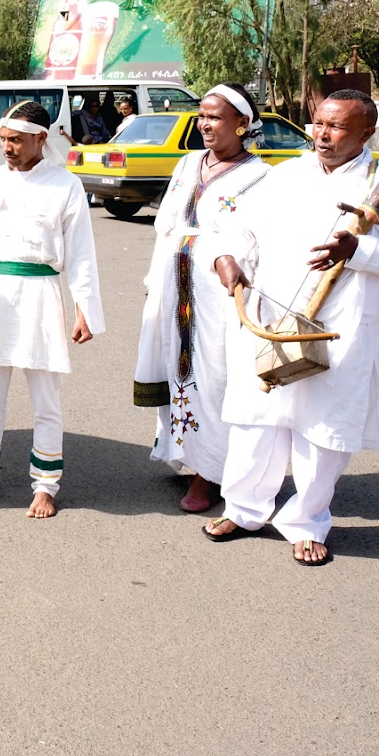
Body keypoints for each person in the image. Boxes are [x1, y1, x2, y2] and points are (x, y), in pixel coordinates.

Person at [202, 89, 379, 565]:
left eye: (337, 127)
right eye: (318, 124)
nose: (322, 135)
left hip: (341, 325)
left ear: (367, 133)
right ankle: (244, 510)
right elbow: (241, 230)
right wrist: (225, 257)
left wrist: (361, 251)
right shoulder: (286, 174)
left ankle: (307, 523)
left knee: (323, 428)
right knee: (255, 419)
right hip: (272, 318)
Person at [0, 100, 103, 519]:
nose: (7, 147)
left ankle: (45, 485)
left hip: (39, 296)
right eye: (3, 139)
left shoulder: (65, 185)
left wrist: (85, 309)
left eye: (15, 140)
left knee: (45, 400)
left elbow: (82, 255)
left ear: (40, 139)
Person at [133, 84, 269, 512]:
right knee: (177, 368)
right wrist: (155, 280)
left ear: (242, 123)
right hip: (174, 285)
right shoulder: (189, 162)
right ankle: (183, 453)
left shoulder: (260, 176)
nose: (204, 124)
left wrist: (216, 255)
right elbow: (168, 225)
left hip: (217, 293)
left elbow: (251, 239)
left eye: (214, 117)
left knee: (215, 377)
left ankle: (210, 473)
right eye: (201, 117)